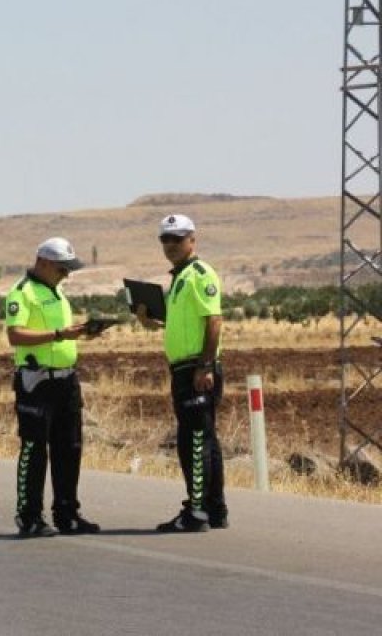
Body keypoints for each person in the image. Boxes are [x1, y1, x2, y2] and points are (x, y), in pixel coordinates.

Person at [5, 237, 104, 538]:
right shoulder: (22, 293)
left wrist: (80, 334)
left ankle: (67, 514)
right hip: (37, 382)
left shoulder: (58, 292)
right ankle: (29, 516)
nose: (66, 274)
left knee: (69, 448)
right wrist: (60, 334)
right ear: (43, 262)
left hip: (66, 380)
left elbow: (59, 337)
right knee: (34, 449)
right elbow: (16, 335)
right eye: (62, 268)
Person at [137, 214, 228, 533]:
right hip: (184, 367)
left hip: (196, 368)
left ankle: (197, 511)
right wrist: (151, 322)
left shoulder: (200, 274)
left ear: (193, 239)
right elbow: (183, 324)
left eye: (177, 239)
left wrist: (205, 365)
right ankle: (215, 509)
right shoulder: (180, 278)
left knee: (195, 441)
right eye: (165, 239)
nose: (171, 245)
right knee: (205, 440)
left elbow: (214, 321)